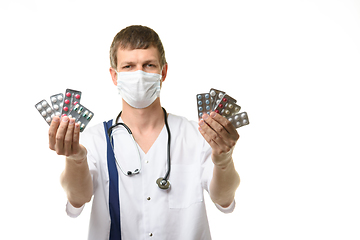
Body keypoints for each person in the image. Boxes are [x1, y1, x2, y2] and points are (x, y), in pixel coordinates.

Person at [48, 25, 241, 240]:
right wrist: (75, 159)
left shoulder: (197, 135)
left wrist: (223, 160)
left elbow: (224, 199)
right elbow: (77, 198)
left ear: (163, 72)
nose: (139, 74)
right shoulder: (95, 139)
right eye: (128, 66)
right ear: (114, 75)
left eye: (149, 65)